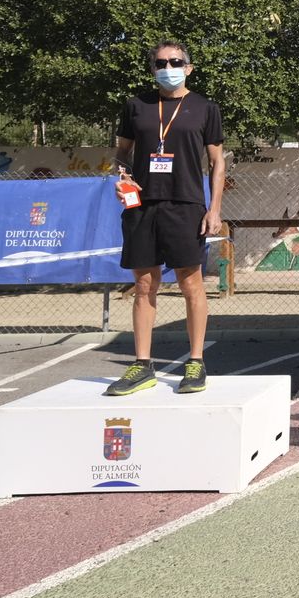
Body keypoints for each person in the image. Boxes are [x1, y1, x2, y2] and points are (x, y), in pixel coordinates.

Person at [106, 42, 225, 396]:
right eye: (161, 63)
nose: (168, 67)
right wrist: (122, 177)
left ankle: (196, 361)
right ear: (152, 68)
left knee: (191, 284)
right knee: (144, 285)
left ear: (188, 68)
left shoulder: (205, 108)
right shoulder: (136, 105)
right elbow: (122, 153)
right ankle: (142, 365)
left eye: (175, 62)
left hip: (185, 205)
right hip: (141, 205)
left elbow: (217, 162)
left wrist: (214, 209)